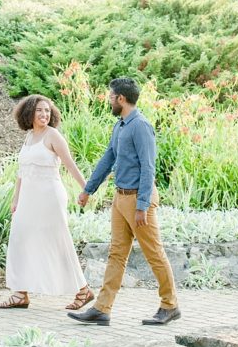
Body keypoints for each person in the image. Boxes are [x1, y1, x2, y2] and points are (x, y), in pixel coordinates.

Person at [67, 77, 180, 326]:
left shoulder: (140, 126)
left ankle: (170, 305)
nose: (109, 100)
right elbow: (108, 159)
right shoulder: (120, 126)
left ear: (121, 98)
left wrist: (141, 206)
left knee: (154, 253)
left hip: (139, 200)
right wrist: (88, 190)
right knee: (116, 254)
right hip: (120, 198)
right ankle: (102, 308)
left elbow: (149, 168)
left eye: (111, 97)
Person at [0, 94, 94, 311]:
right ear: (29, 113)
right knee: (20, 239)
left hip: (49, 196)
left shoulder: (53, 136)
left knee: (58, 241)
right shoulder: (29, 136)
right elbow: (21, 172)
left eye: (48, 111)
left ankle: (83, 290)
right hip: (28, 198)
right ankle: (20, 293)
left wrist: (86, 189)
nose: (44, 114)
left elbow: (70, 165)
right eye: (40, 110)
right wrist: (16, 199)